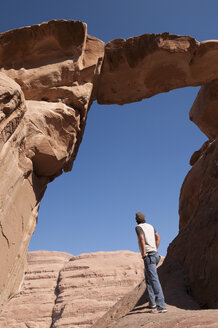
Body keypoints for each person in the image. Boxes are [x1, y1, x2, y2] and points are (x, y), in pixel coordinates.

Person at [135, 211, 167, 313]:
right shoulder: (150, 226)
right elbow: (158, 237)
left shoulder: (138, 227)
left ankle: (161, 306)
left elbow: (141, 239)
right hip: (155, 255)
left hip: (149, 256)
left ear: (136, 220)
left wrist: (143, 253)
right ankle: (152, 304)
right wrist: (155, 249)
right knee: (148, 278)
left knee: (153, 279)